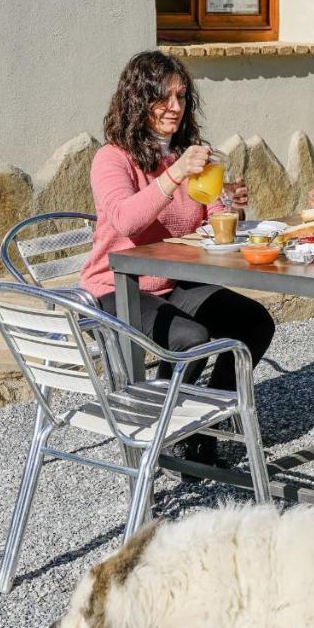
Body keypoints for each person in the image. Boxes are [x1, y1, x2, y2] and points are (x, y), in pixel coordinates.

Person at [79, 51, 276, 465]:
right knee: (191, 339)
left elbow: (206, 220)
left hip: (170, 281)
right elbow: (127, 220)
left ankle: (204, 428)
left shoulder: (189, 154)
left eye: (181, 97)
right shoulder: (111, 158)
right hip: (117, 288)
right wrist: (175, 174)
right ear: (138, 100)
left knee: (254, 323)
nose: (174, 107)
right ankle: (162, 427)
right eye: (162, 97)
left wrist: (231, 205)